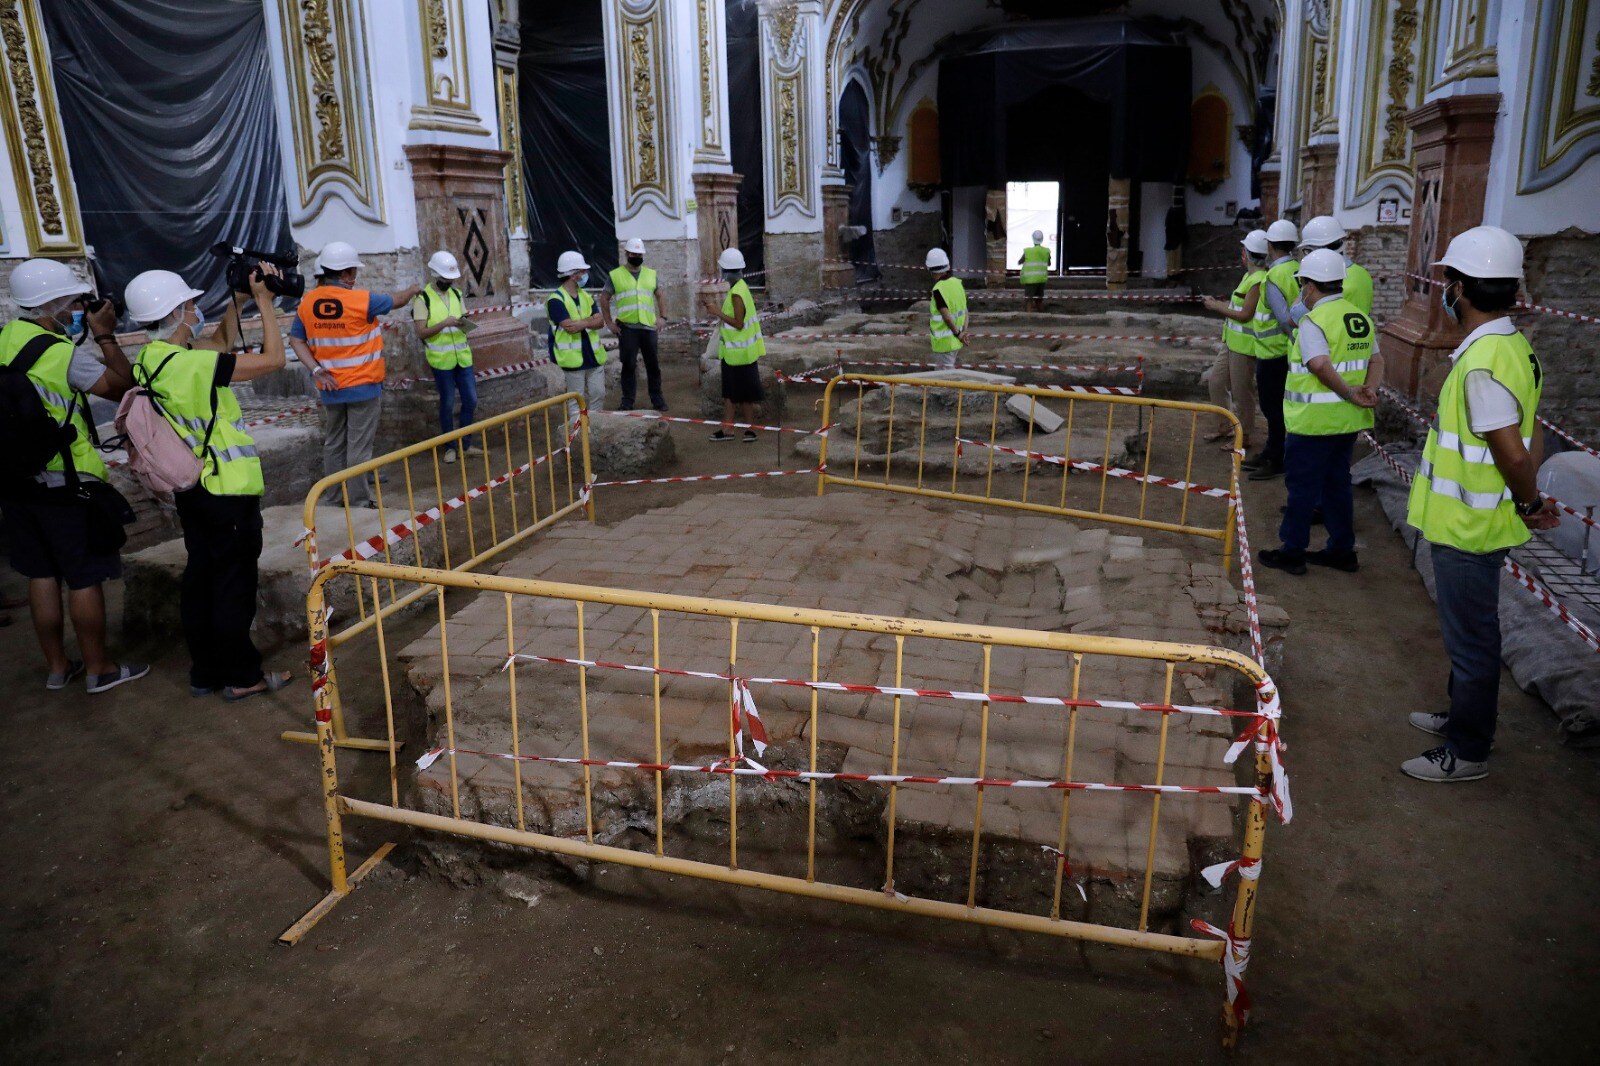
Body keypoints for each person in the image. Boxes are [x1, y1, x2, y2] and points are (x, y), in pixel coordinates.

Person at [1401, 226, 1558, 783]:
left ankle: (1468, 751)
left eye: (1449, 280)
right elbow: (1533, 432)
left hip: (1468, 526)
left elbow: (1512, 452)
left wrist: (1531, 499)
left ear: (1459, 287)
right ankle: (1460, 716)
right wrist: (1527, 497)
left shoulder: (1483, 361)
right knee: (1469, 635)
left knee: (1471, 640)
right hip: (1479, 518)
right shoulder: (1514, 347)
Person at [124, 265, 296, 702]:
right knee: (233, 585)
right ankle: (242, 676)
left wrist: (236, 300)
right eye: (191, 305)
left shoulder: (153, 358)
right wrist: (264, 304)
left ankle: (205, 672)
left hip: (190, 490)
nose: (197, 310)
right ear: (179, 311)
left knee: (202, 578)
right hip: (225, 490)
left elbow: (216, 345)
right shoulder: (193, 366)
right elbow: (274, 360)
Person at [0, 259, 147, 693]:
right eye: (75, 302)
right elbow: (121, 386)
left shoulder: (6, 337)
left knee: (41, 574)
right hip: (64, 482)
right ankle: (100, 669)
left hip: (13, 481)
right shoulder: (60, 352)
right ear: (53, 305)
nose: (79, 308)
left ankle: (59, 667)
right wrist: (103, 333)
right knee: (83, 576)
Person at [1256, 249, 1382, 576]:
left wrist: (1349, 392)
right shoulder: (1359, 318)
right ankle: (1342, 550)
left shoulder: (1314, 321)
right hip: (1347, 423)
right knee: (1337, 484)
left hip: (1313, 425)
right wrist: (1369, 389)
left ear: (1310, 286)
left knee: (1302, 489)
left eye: (1302, 285)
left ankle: (1292, 552)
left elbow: (1319, 365)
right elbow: (1377, 361)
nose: (1301, 292)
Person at [288, 241, 421, 508]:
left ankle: (334, 497)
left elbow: (295, 340)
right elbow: (397, 300)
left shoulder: (307, 304)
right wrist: (414, 289)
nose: (355, 277)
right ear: (346, 273)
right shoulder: (362, 300)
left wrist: (316, 369)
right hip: (362, 386)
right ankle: (359, 501)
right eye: (353, 272)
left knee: (334, 443)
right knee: (359, 448)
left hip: (330, 387)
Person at [1200, 228, 1268, 452]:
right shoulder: (1248, 276)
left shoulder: (1258, 280)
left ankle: (1245, 435)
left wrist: (1216, 306)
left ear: (1247, 254)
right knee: (1216, 382)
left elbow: (1245, 314)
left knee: (1242, 392)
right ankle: (1224, 426)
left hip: (1244, 347)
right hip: (1231, 342)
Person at [1246, 219, 1301, 481]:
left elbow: (1283, 319)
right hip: (1284, 353)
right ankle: (1271, 451)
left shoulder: (1274, 276)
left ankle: (1276, 457)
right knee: (1277, 407)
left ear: (1270, 245)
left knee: (1272, 408)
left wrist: (1298, 343)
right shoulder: (1297, 269)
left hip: (1273, 354)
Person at [411, 250, 478, 465]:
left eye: (451, 279)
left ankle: (465, 445)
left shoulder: (456, 295)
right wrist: (444, 324)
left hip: (463, 358)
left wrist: (464, 322)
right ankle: (450, 447)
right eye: (444, 279)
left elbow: (462, 317)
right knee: (447, 403)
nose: (448, 282)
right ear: (434, 274)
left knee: (471, 400)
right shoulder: (423, 299)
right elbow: (421, 332)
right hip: (442, 362)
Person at [700, 247, 764, 442]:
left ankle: (734, 430)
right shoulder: (742, 287)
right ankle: (742, 430)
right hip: (742, 352)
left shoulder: (737, 293)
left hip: (736, 353)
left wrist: (716, 311)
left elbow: (738, 322)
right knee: (739, 393)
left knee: (732, 393)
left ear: (726, 271)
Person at [601, 237, 666, 412]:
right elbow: (604, 298)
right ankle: (627, 400)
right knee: (628, 365)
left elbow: (660, 295)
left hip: (648, 327)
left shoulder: (651, 274)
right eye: (633, 253)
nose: (636, 256)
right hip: (627, 328)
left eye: (639, 254)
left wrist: (663, 317)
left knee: (653, 364)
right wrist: (609, 323)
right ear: (627, 254)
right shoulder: (615, 275)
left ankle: (657, 399)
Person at [548, 250, 607, 425]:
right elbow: (570, 327)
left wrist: (583, 323)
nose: (585, 275)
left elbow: (600, 321)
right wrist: (590, 321)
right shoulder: (555, 300)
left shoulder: (585, 296)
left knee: (599, 394)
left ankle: (595, 429)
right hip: (573, 360)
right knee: (576, 401)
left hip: (594, 356)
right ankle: (577, 435)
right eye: (582, 271)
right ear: (573, 275)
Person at [1296, 216, 1374, 316]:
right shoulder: (1363, 273)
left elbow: (1295, 316)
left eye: (1308, 251)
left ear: (1321, 250)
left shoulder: (1323, 280)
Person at [926, 247, 968, 370]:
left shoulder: (938, 289)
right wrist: (963, 332)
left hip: (944, 343)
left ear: (931, 269)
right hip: (956, 341)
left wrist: (959, 334)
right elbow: (965, 311)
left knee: (944, 379)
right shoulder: (957, 283)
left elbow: (947, 317)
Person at [1018, 230, 1050, 312]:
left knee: (1029, 299)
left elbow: (1020, 261)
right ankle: (1042, 316)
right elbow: (1049, 263)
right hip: (1041, 279)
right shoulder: (1046, 251)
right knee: (1039, 300)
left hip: (1030, 280)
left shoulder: (1028, 251)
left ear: (1033, 239)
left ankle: (1028, 317)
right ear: (1042, 239)